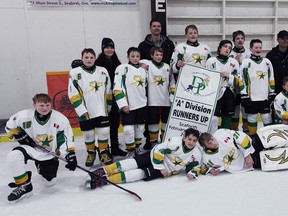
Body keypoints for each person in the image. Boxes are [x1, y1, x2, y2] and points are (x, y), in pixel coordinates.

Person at [5, 93, 77, 202]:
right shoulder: (23, 116)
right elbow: (10, 126)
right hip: (30, 149)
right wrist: (17, 133)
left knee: (49, 183)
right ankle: (24, 184)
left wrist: (70, 154)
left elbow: (66, 137)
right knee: (13, 156)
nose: (45, 108)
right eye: (41, 105)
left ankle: (40, 165)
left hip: (49, 153)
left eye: (47, 105)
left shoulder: (59, 118)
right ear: (34, 105)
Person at [85, 128, 202, 189]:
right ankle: (102, 171)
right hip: (155, 158)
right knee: (132, 163)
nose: (191, 142)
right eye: (189, 139)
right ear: (184, 138)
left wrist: (192, 173)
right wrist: (160, 167)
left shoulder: (196, 154)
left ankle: (105, 180)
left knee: (139, 174)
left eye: (194, 140)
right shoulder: (175, 142)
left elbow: (196, 166)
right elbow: (158, 150)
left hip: (167, 169)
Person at [68, 48, 113, 166]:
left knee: (103, 132)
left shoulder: (103, 71)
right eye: (86, 57)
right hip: (85, 110)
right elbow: (73, 93)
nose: (89, 60)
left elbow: (109, 89)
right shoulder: (74, 72)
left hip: (101, 109)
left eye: (91, 57)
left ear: (95, 59)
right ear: (82, 58)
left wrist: (108, 105)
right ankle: (91, 152)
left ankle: (103, 152)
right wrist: (80, 109)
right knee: (88, 134)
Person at [138, 19, 175, 150]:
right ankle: (153, 142)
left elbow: (171, 81)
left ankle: (164, 141)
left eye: (159, 26)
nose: (156, 28)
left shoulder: (168, 46)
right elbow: (136, 63)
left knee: (165, 121)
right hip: (152, 98)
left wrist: (173, 94)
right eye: (154, 26)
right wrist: (139, 65)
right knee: (152, 121)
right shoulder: (145, 59)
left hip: (165, 98)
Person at [95, 38, 127, 157]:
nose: (109, 50)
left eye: (111, 47)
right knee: (103, 126)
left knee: (114, 124)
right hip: (102, 100)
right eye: (107, 47)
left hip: (114, 99)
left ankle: (115, 147)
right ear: (103, 48)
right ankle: (103, 149)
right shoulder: (98, 63)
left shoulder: (117, 62)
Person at [113, 47, 147, 155]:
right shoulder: (122, 68)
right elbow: (117, 88)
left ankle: (137, 147)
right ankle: (130, 150)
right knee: (128, 130)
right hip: (128, 105)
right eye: (132, 56)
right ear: (127, 56)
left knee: (140, 128)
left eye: (137, 56)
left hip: (142, 104)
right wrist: (123, 104)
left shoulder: (143, 70)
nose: (135, 58)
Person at [240, 39, 275, 135]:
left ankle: (269, 137)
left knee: (266, 117)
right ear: (250, 49)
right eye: (256, 47)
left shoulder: (267, 62)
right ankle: (253, 138)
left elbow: (271, 78)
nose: (258, 49)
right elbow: (241, 79)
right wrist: (244, 94)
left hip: (264, 97)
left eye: (260, 47)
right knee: (252, 118)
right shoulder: (246, 62)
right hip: (252, 97)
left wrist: (272, 92)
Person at [206, 40, 239, 133]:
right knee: (213, 119)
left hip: (229, 93)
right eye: (225, 46)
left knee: (227, 118)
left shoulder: (234, 62)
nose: (227, 49)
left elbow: (238, 80)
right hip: (214, 92)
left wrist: (229, 76)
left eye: (229, 48)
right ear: (220, 47)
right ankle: (212, 138)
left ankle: (225, 139)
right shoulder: (211, 61)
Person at [229, 30, 251, 133]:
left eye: (242, 38)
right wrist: (236, 63)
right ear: (233, 41)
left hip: (246, 87)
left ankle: (246, 130)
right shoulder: (229, 53)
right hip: (235, 88)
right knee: (236, 111)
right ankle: (234, 131)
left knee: (246, 110)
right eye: (237, 38)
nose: (240, 40)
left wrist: (241, 64)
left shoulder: (249, 53)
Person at [266, 30, 288, 124]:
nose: (285, 41)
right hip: (276, 87)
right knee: (275, 110)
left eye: (287, 39)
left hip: (287, 86)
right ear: (278, 40)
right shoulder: (271, 55)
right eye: (283, 39)